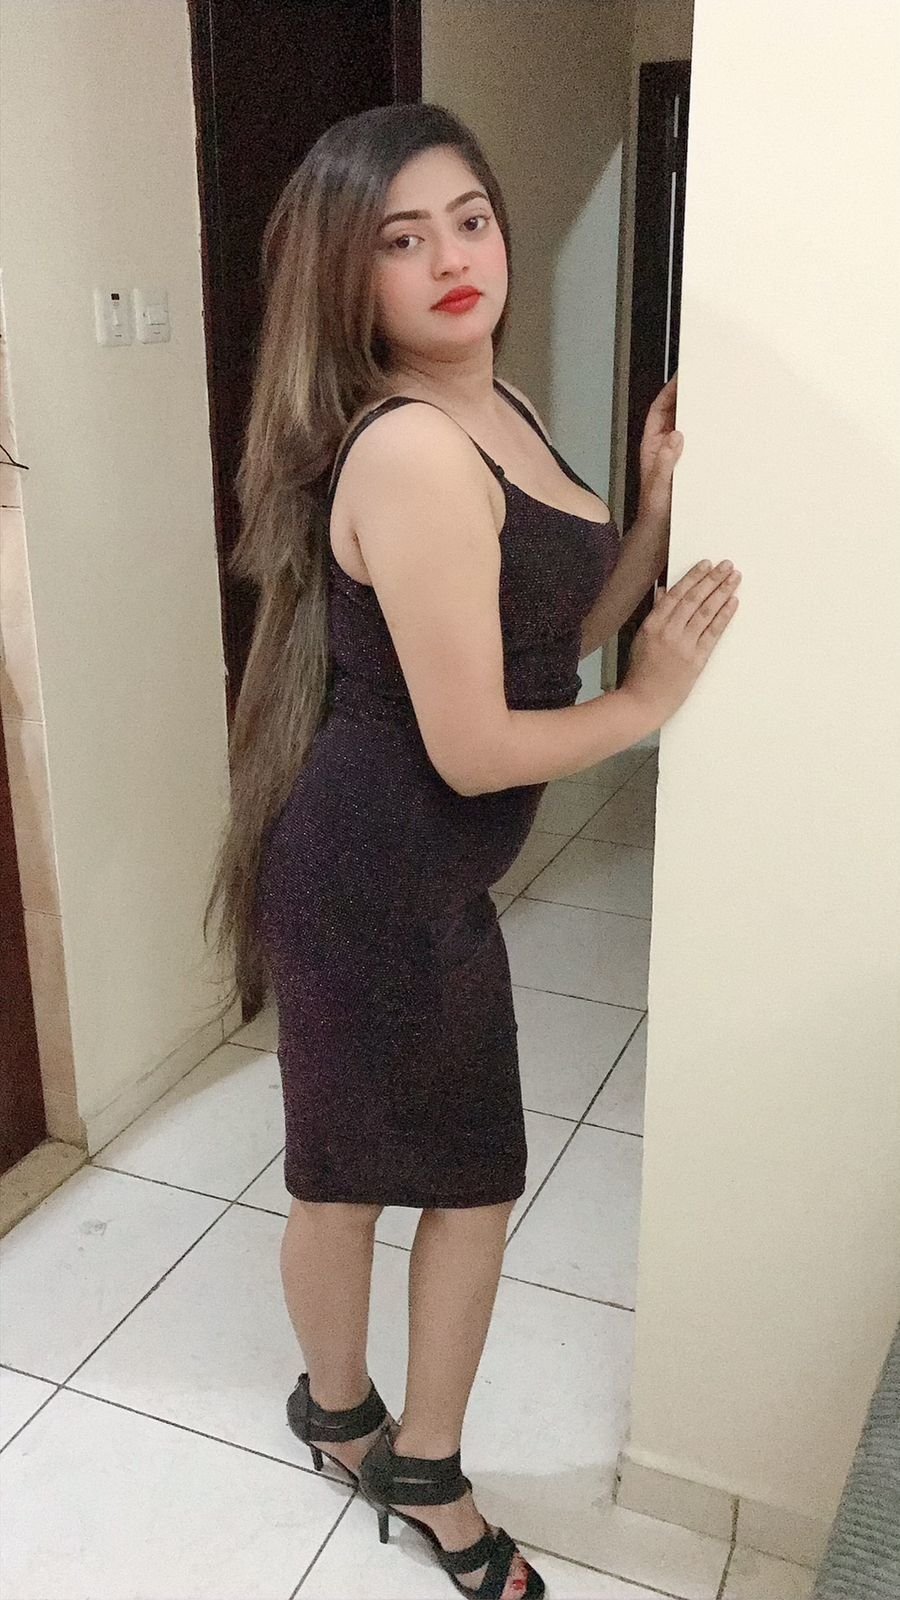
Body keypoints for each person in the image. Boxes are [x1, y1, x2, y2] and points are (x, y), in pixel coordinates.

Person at [203, 102, 741, 1600]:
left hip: (421, 881)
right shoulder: (415, 451)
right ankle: (380, 1444)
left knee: (441, 1171)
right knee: (384, 1178)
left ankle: (379, 1434)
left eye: (471, 220)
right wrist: (645, 706)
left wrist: (647, 514)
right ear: (348, 272)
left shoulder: (492, 405)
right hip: (368, 881)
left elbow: (542, 632)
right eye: (403, 238)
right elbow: (475, 746)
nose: (452, 258)